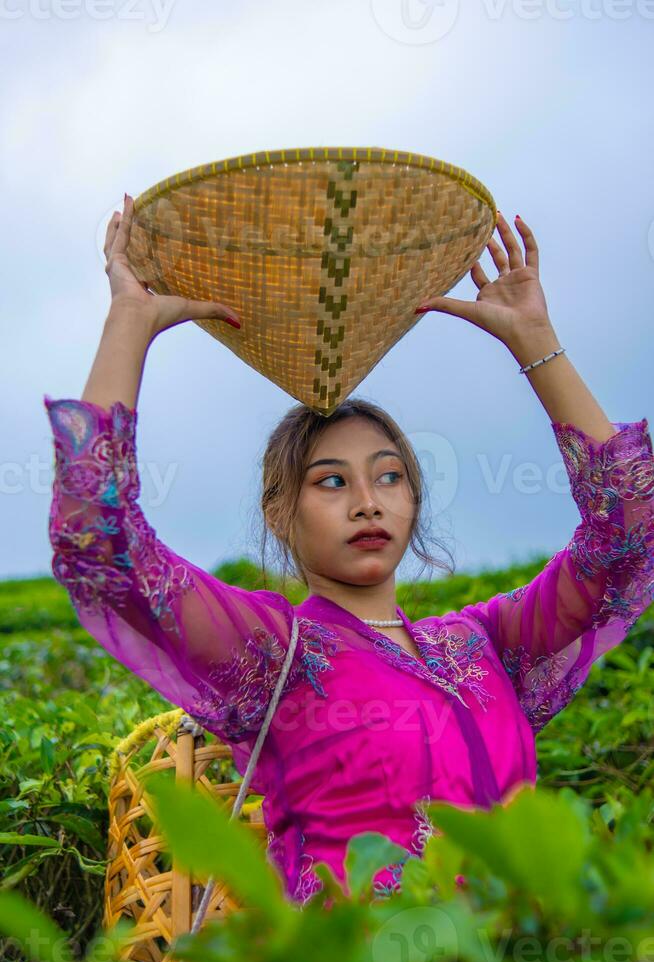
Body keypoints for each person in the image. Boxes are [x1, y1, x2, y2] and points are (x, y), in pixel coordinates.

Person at [44, 194, 654, 904]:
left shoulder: (490, 643)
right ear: (281, 511)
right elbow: (100, 536)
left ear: (413, 501)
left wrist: (535, 340)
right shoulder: (278, 652)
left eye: (390, 477)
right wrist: (129, 324)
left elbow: (630, 530)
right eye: (332, 481)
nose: (368, 500)